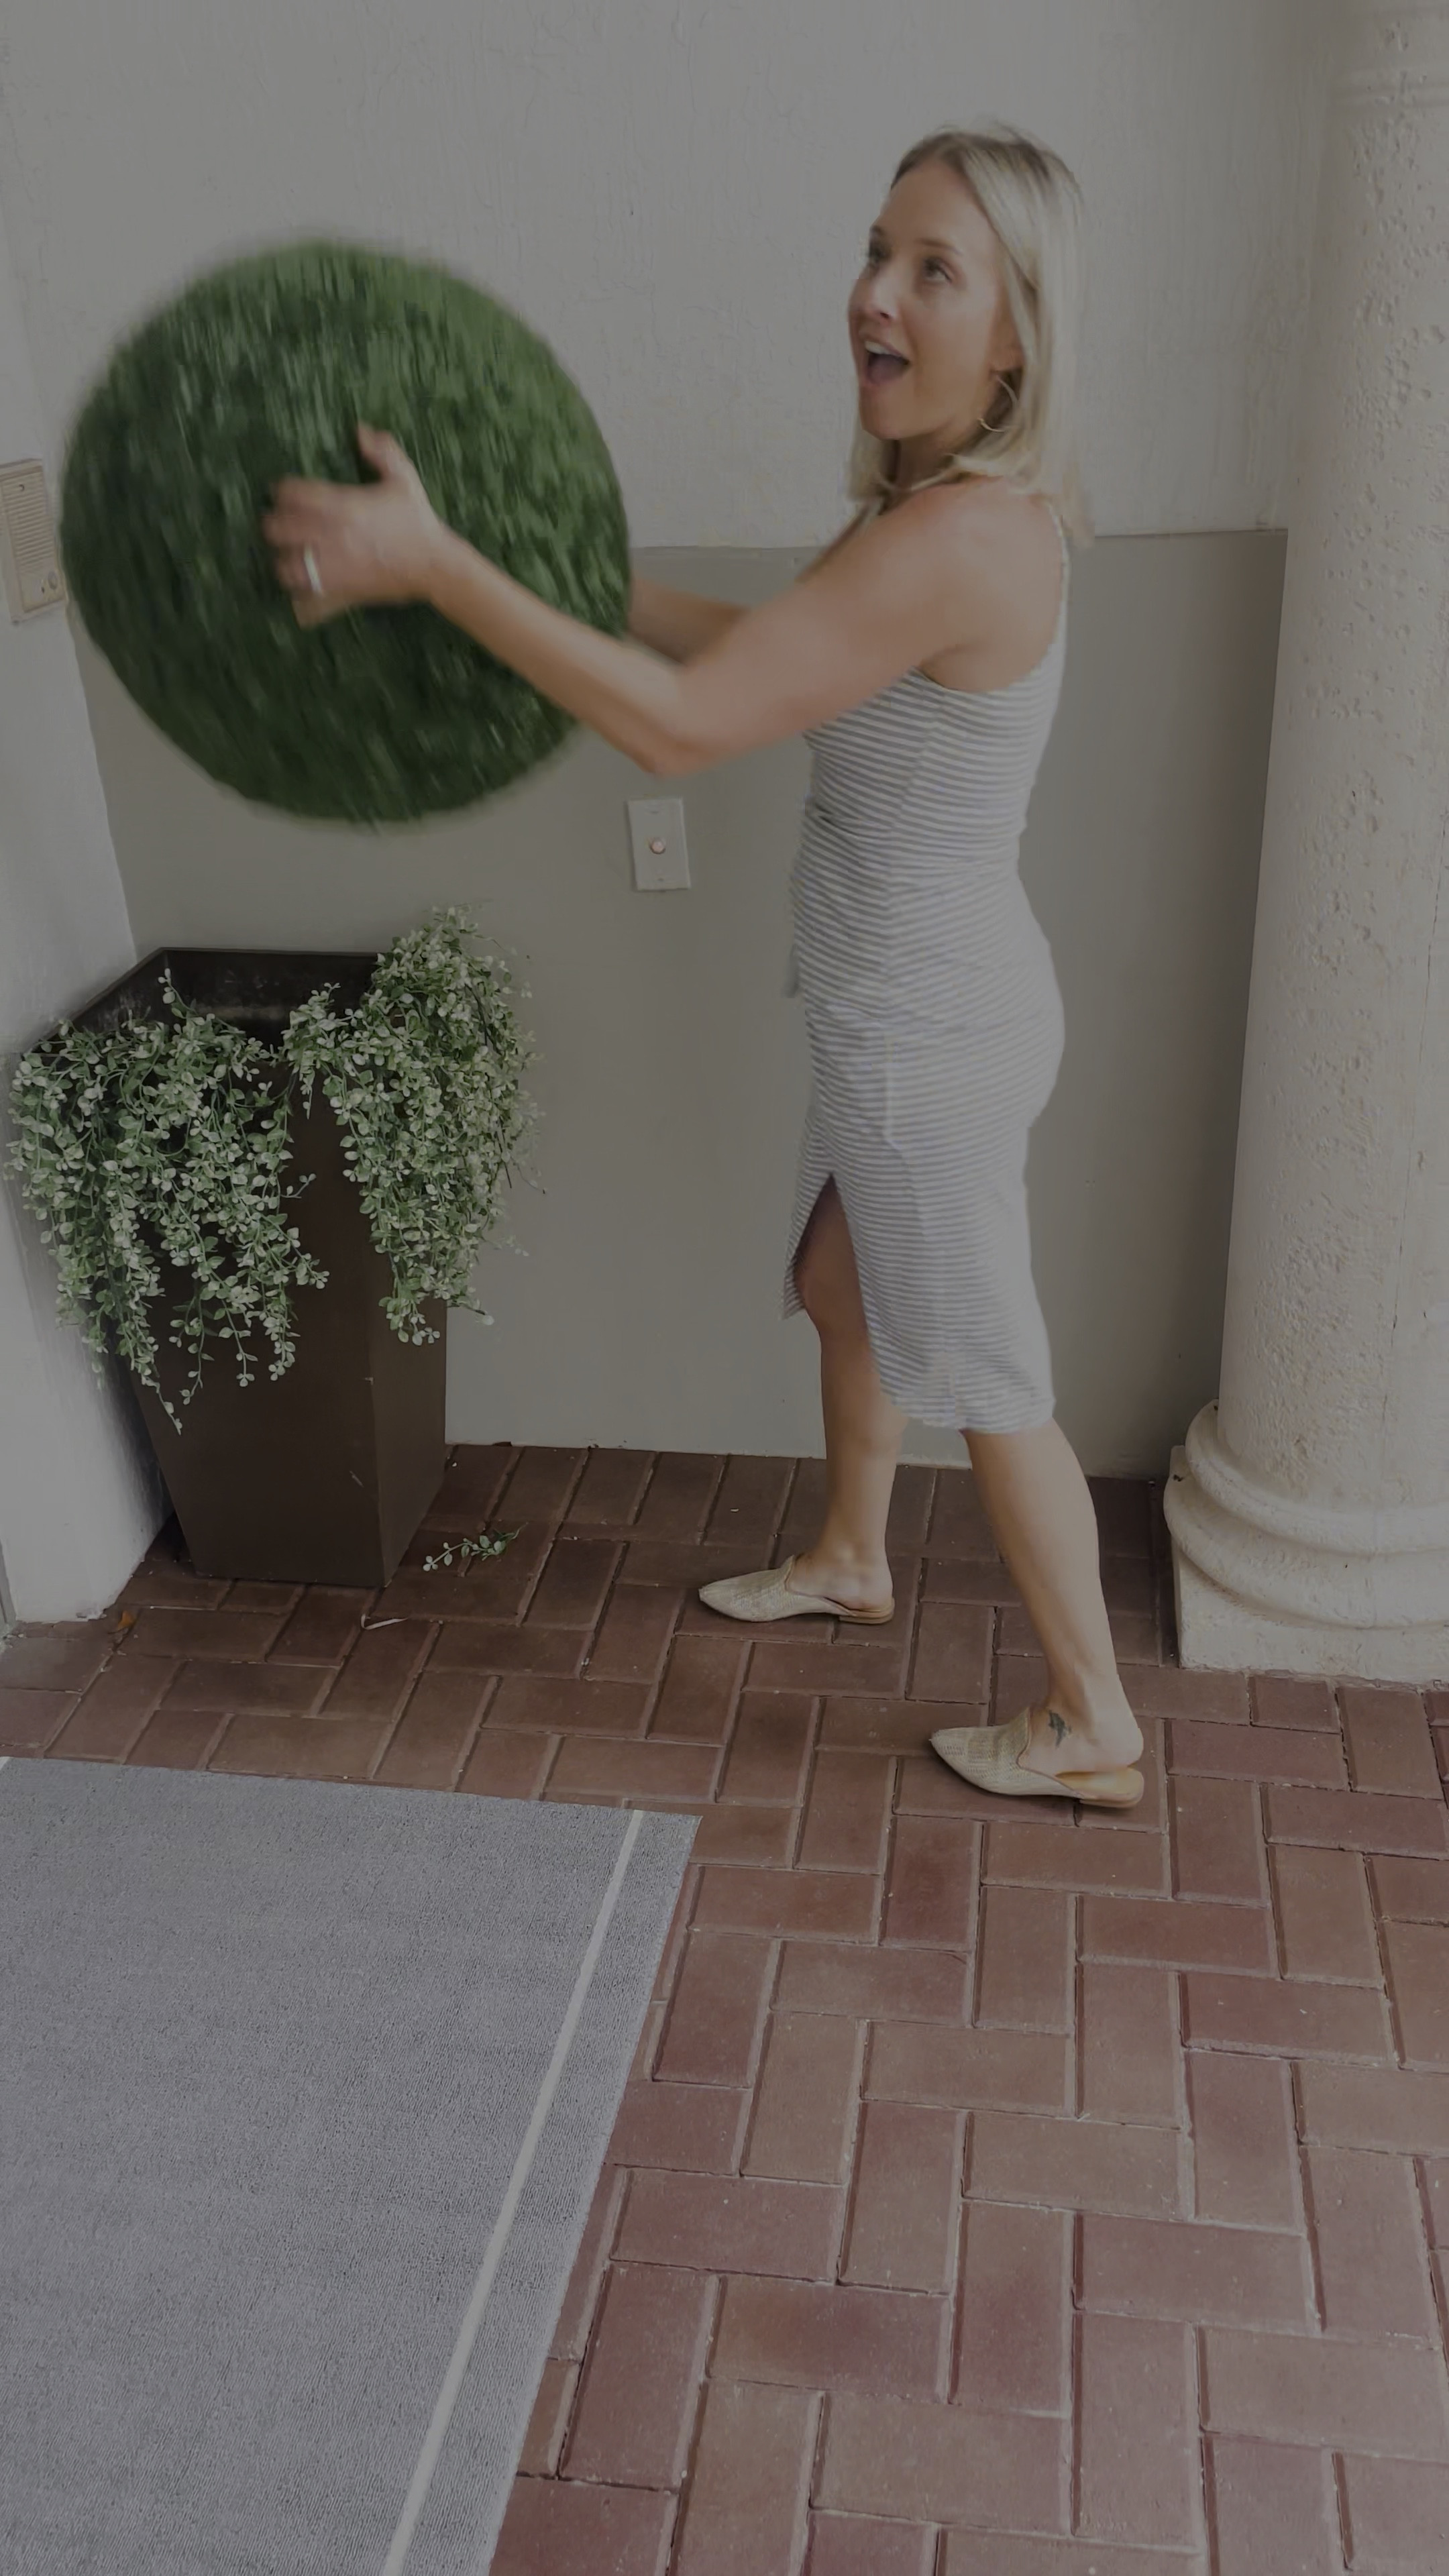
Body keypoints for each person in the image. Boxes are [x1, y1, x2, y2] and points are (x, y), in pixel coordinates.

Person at [263, 122, 1145, 1809]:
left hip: (927, 1037)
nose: (873, 292)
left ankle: (1094, 1716)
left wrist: (439, 570)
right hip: (916, 1006)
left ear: (1020, 333)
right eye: (877, 249)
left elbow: (681, 728)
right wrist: (523, 572)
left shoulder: (955, 541)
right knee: (840, 1287)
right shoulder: (932, 510)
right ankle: (850, 1556)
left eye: (933, 269)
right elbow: (745, 655)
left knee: (992, 1375)